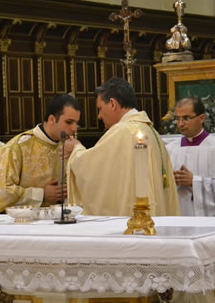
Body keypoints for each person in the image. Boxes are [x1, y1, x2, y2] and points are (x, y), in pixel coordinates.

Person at [64, 77, 180, 217]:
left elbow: (90, 168)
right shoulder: (150, 130)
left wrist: (76, 148)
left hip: (134, 222)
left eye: (100, 109)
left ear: (112, 104)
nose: (99, 116)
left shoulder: (122, 131)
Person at [0, 94, 80, 212]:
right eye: (69, 122)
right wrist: (41, 195)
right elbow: (0, 194)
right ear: (52, 119)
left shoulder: (68, 147)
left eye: (76, 123)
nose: (74, 128)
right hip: (22, 224)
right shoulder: (18, 147)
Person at [166, 98, 215, 217]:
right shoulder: (170, 150)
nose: (180, 124)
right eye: (177, 118)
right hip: (178, 217)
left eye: (186, 118)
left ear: (201, 118)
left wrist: (194, 182)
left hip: (210, 222)